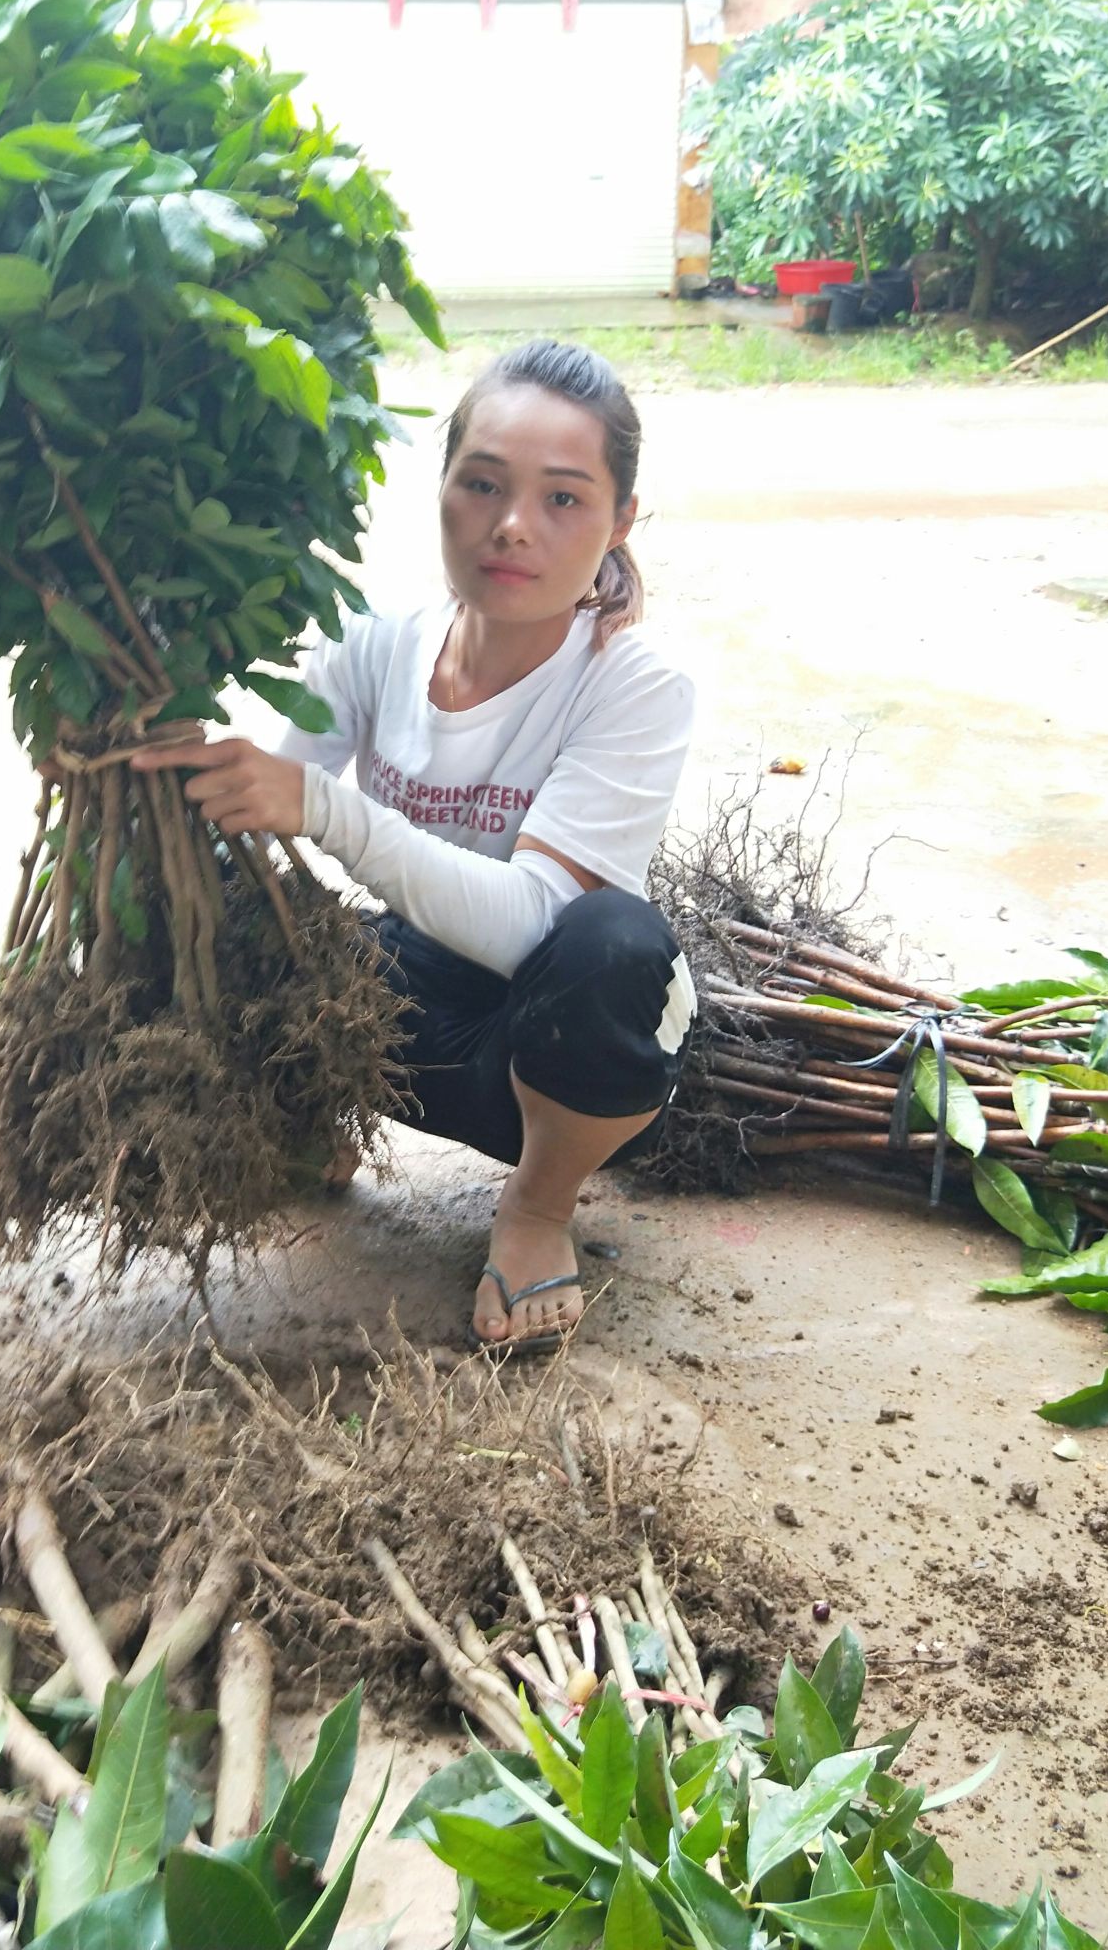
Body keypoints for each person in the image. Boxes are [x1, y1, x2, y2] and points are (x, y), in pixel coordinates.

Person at [133, 339, 696, 1356]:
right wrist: (139, 752)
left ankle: (534, 1211)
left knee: (613, 940)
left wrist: (328, 810)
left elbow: (533, 924)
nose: (512, 525)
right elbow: (258, 795)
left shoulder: (635, 683)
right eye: (482, 484)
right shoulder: (380, 641)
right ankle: (307, 1120)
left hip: (560, 1056)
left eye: (563, 500)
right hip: (401, 1033)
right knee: (212, 886)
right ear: (440, 489)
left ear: (621, 521)